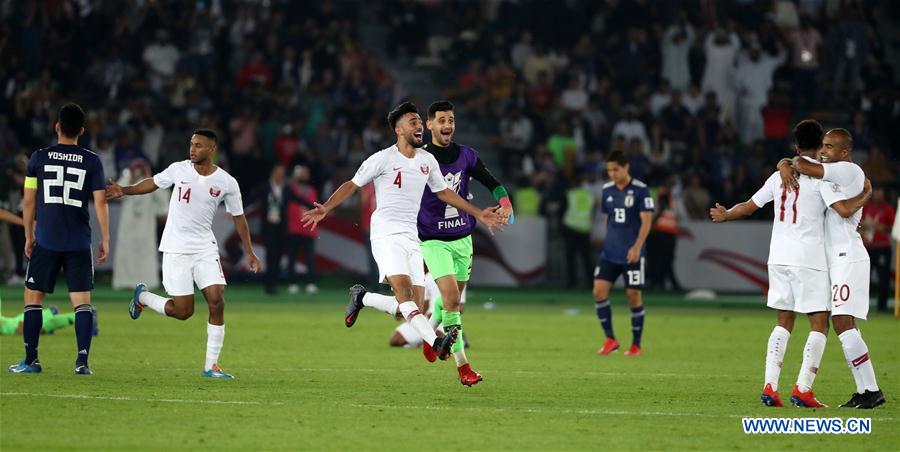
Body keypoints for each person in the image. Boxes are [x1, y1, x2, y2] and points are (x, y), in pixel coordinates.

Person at [301, 101, 502, 365]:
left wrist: (478, 213)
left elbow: (444, 193)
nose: (419, 126)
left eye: (419, 121)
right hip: (386, 234)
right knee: (406, 296)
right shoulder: (382, 158)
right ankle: (436, 343)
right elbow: (352, 184)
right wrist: (326, 207)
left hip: (412, 236)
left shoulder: (427, 160)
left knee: (409, 309)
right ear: (399, 129)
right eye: (413, 122)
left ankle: (363, 297)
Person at [711, 120, 870, 408]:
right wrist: (864, 196)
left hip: (778, 258)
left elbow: (748, 207)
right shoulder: (822, 180)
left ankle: (770, 387)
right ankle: (803, 389)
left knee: (783, 322)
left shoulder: (777, 176)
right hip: (809, 259)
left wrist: (726, 215)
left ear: (796, 147)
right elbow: (843, 209)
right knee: (819, 324)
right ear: (820, 146)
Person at [106, 129, 261, 379]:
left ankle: (211, 366)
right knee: (183, 312)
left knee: (217, 300)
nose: (192, 149)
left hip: (204, 247)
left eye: (198, 145)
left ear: (212, 149)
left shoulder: (227, 182)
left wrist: (250, 251)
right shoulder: (178, 169)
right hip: (176, 248)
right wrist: (124, 190)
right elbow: (152, 183)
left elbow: (239, 217)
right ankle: (143, 297)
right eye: (191, 144)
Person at [414, 100, 513, 385]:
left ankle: (431, 336)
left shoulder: (467, 156)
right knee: (453, 301)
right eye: (441, 120)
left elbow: (493, 183)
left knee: (451, 300)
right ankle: (463, 368)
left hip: (463, 240)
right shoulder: (420, 158)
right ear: (429, 125)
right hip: (433, 241)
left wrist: (506, 203)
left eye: (451, 120)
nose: (447, 125)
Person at [785, 128, 886, 408]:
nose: (823, 151)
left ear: (844, 152)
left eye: (829, 147)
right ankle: (866, 390)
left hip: (847, 256)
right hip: (839, 258)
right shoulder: (833, 178)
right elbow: (799, 165)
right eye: (822, 145)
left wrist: (867, 194)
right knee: (845, 325)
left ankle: (871, 390)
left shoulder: (847, 170)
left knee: (842, 323)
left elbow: (841, 208)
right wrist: (784, 163)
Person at [9, 103, 109, 375]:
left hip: (46, 240)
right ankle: (82, 363)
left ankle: (31, 361)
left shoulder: (38, 158)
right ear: (82, 131)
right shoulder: (92, 161)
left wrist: (28, 235)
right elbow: (100, 202)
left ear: (57, 127)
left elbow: (28, 202)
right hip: (78, 242)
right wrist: (105, 238)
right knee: (82, 302)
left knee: (33, 299)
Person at [593, 150, 653, 357]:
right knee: (598, 291)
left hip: (632, 253)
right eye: (609, 170)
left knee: (633, 295)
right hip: (610, 252)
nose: (612, 174)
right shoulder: (607, 190)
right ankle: (610, 339)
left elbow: (647, 222)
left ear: (626, 167)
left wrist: (637, 247)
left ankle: (636, 344)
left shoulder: (641, 190)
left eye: (616, 169)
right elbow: (609, 219)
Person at [111, 159, 168, 290]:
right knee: (126, 253)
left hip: (145, 226)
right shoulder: (126, 177)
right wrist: (130, 178)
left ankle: (148, 282)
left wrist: (149, 179)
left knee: (146, 254)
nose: (138, 172)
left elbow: (162, 201)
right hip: (127, 226)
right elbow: (117, 194)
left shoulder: (151, 181)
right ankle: (123, 282)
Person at [860, 186, 895, 312]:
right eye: (876, 193)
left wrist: (882, 227)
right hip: (866, 247)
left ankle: (882, 307)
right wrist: (865, 225)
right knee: (863, 279)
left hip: (882, 247)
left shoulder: (888, 209)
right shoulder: (865, 207)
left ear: (884, 194)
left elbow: (893, 228)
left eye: (880, 193)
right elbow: (858, 224)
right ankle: (861, 307)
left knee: (883, 278)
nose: (878, 195)